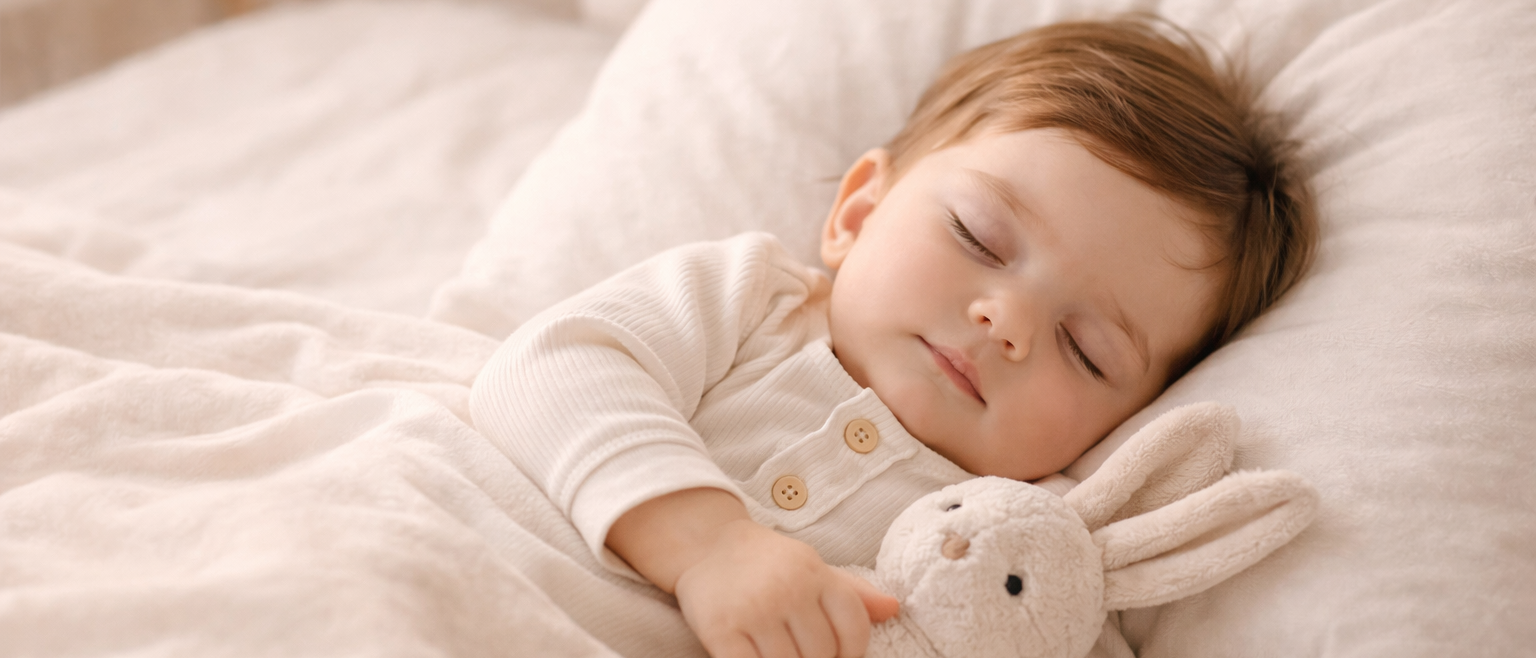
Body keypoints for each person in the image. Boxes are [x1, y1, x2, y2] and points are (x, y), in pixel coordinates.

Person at [471, 17, 1316, 658]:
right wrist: (711, 548)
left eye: (1087, 350)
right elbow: (550, 366)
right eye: (979, 238)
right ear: (858, 212)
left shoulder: (1034, 539)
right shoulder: (751, 301)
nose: (1009, 321)